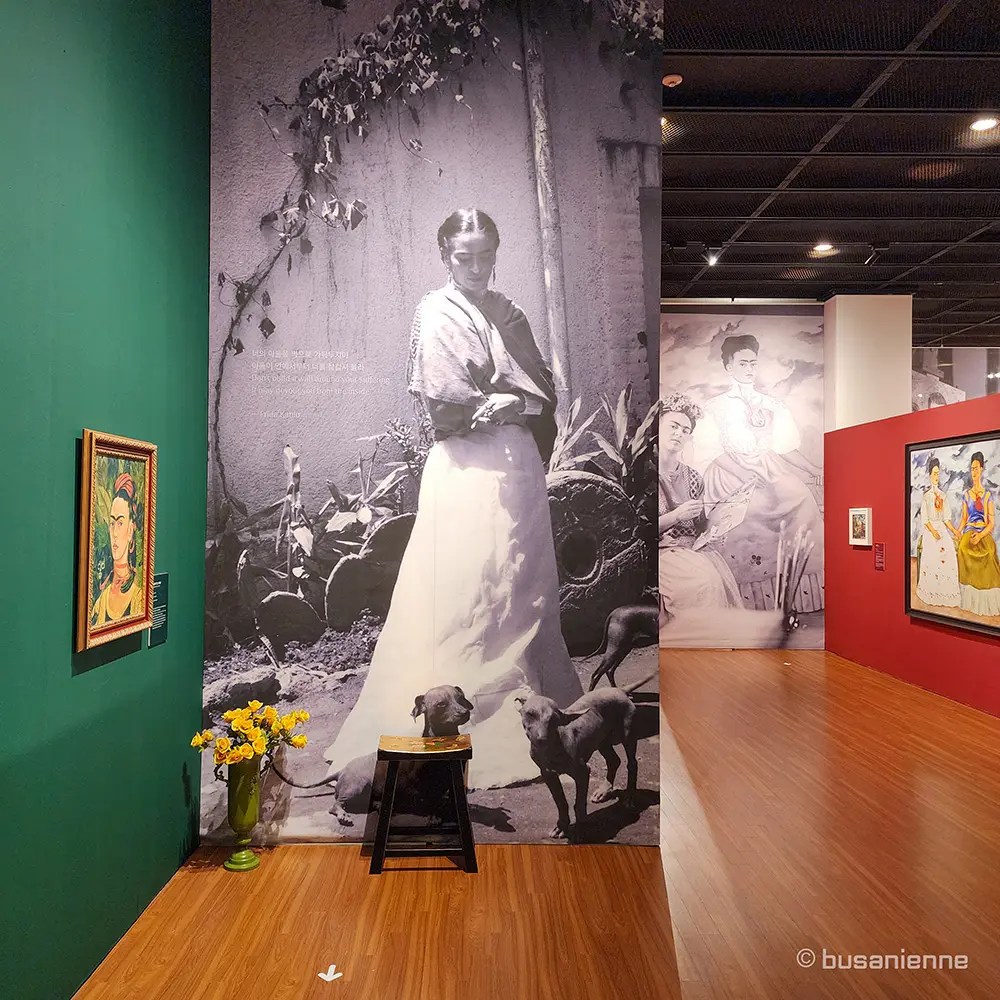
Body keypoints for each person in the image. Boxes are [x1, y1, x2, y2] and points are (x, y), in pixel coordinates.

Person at [323, 208, 583, 790]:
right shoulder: (434, 311)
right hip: (465, 469)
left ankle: (538, 702)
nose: (475, 267)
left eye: (485, 255)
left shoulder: (508, 310)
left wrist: (520, 405)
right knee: (466, 584)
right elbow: (442, 405)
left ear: (496, 252)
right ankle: (455, 712)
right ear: (445, 255)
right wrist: (480, 409)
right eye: (463, 257)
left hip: (516, 467)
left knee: (523, 582)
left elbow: (543, 390)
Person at [699, 334, 824, 603]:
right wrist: (744, 474)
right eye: (742, 363)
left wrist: (814, 469)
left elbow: (784, 447)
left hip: (767, 466)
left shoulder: (771, 405)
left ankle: (792, 594)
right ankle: (748, 598)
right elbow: (712, 450)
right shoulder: (716, 407)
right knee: (752, 511)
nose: (749, 369)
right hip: (729, 469)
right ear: (728, 366)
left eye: (753, 364)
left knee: (801, 497)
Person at [658, 392, 743, 617]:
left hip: (692, 548)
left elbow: (700, 525)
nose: (679, 434)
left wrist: (716, 528)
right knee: (703, 582)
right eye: (674, 426)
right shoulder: (643, 472)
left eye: (686, 431)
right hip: (661, 550)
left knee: (718, 578)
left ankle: (713, 643)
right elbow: (637, 530)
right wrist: (675, 516)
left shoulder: (693, 476)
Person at [91, 471, 144, 625]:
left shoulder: (138, 598)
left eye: (120, 523)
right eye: (112, 523)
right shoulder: (100, 602)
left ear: (131, 530)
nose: (114, 532)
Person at [956, 451, 1000, 617]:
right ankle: (968, 599)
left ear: (981, 469)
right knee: (962, 550)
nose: (973, 472)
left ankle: (986, 600)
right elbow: (963, 519)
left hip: (983, 532)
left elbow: (992, 523)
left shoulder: (988, 496)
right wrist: (958, 532)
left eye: (976, 468)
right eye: (971, 468)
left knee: (989, 553)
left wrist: (981, 536)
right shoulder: (966, 495)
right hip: (969, 531)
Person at [915, 457, 960, 608]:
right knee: (933, 555)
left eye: (938, 473)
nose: (936, 476)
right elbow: (925, 520)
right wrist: (933, 531)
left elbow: (946, 518)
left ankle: (947, 593)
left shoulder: (943, 496)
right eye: (934, 473)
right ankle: (931, 592)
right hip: (930, 530)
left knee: (949, 553)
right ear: (929, 475)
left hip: (941, 527)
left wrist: (954, 531)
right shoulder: (926, 497)